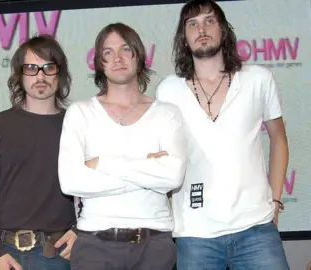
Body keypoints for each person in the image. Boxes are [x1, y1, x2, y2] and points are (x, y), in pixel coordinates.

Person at [155, 0, 290, 269]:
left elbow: (279, 138)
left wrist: (275, 200)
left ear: (223, 30)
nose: (201, 29)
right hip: (194, 236)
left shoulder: (258, 79)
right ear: (184, 38)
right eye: (192, 24)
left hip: (256, 230)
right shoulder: (168, 90)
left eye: (209, 21)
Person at [58, 22, 186, 270]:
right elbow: (71, 182)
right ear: (99, 63)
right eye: (108, 52)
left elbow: (173, 176)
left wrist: (102, 164)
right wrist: (148, 169)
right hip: (94, 246)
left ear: (138, 55)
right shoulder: (80, 113)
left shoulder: (167, 113)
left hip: (154, 246)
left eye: (125, 49)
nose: (117, 58)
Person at [0, 35, 77, 270]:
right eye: (31, 68)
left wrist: (80, 231)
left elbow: (94, 185)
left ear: (59, 74)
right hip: (4, 255)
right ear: (20, 75)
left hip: (57, 256)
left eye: (48, 68)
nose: (40, 76)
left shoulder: (76, 125)